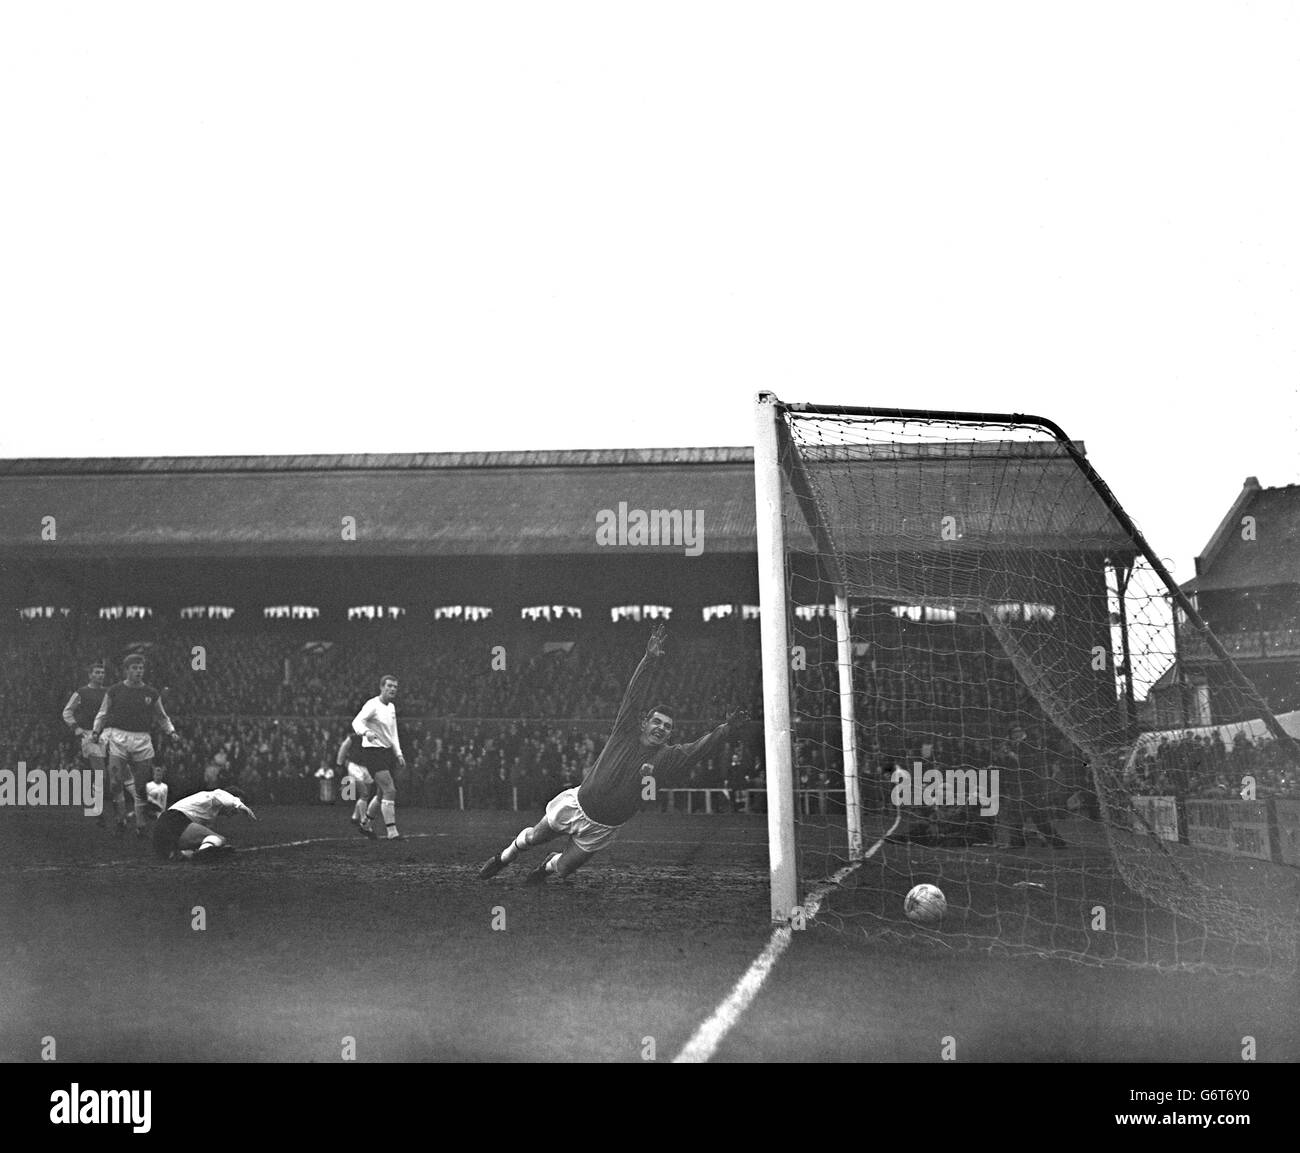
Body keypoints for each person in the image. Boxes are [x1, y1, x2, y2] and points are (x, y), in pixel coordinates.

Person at [479, 625, 745, 884]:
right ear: (645, 722)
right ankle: (504, 857)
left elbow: (699, 748)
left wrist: (725, 729)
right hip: (577, 804)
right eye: (657, 722)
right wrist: (648, 659)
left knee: (563, 869)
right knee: (534, 838)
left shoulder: (667, 756)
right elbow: (634, 696)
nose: (661, 728)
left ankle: (546, 867)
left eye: (667, 727)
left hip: (603, 827)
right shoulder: (625, 731)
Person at [91, 654, 178, 839]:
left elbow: (162, 716)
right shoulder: (114, 690)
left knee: (139, 786)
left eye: (141, 668)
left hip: (142, 740)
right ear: (127, 670)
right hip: (119, 737)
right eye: (135, 668)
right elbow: (103, 713)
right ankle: (121, 819)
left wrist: (171, 731)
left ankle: (140, 824)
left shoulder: (152, 693)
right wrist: (96, 731)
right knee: (115, 780)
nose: (139, 671)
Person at [62, 661, 118, 830]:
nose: (100, 675)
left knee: (114, 773)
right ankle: (98, 811)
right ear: (90, 675)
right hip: (89, 734)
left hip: (107, 734)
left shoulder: (109, 692)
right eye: (97, 672)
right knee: (101, 773)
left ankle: (112, 809)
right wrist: (76, 728)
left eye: (102, 672)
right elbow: (67, 711)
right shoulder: (81, 692)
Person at [351, 675, 406, 839]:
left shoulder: (391, 707)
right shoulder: (372, 705)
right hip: (372, 752)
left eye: (395, 687)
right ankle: (392, 831)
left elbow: (393, 733)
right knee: (390, 790)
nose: (393, 689)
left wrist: (399, 753)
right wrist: (366, 732)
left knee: (382, 793)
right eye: (389, 686)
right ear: (381, 687)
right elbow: (356, 722)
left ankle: (365, 824)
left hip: (386, 753)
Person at [997, 723, 1068, 849]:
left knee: (1038, 817)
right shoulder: (1010, 746)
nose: (1017, 734)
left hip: (1031, 787)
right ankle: (1017, 843)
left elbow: (1030, 763)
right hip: (1018, 787)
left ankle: (1057, 842)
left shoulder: (1030, 744)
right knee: (1017, 816)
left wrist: (1013, 756)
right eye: (1015, 732)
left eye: (1019, 731)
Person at [153, 787, 257, 862]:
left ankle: (179, 854)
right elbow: (219, 793)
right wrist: (239, 805)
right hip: (173, 822)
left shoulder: (208, 813)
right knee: (219, 838)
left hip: (162, 833)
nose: (236, 812)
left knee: (208, 842)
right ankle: (196, 856)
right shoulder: (213, 797)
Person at [337, 732, 374, 829]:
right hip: (355, 766)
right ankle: (363, 820)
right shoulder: (353, 737)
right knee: (364, 793)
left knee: (366, 795)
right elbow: (343, 748)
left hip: (368, 767)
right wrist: (339, 763)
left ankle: (355, 817)